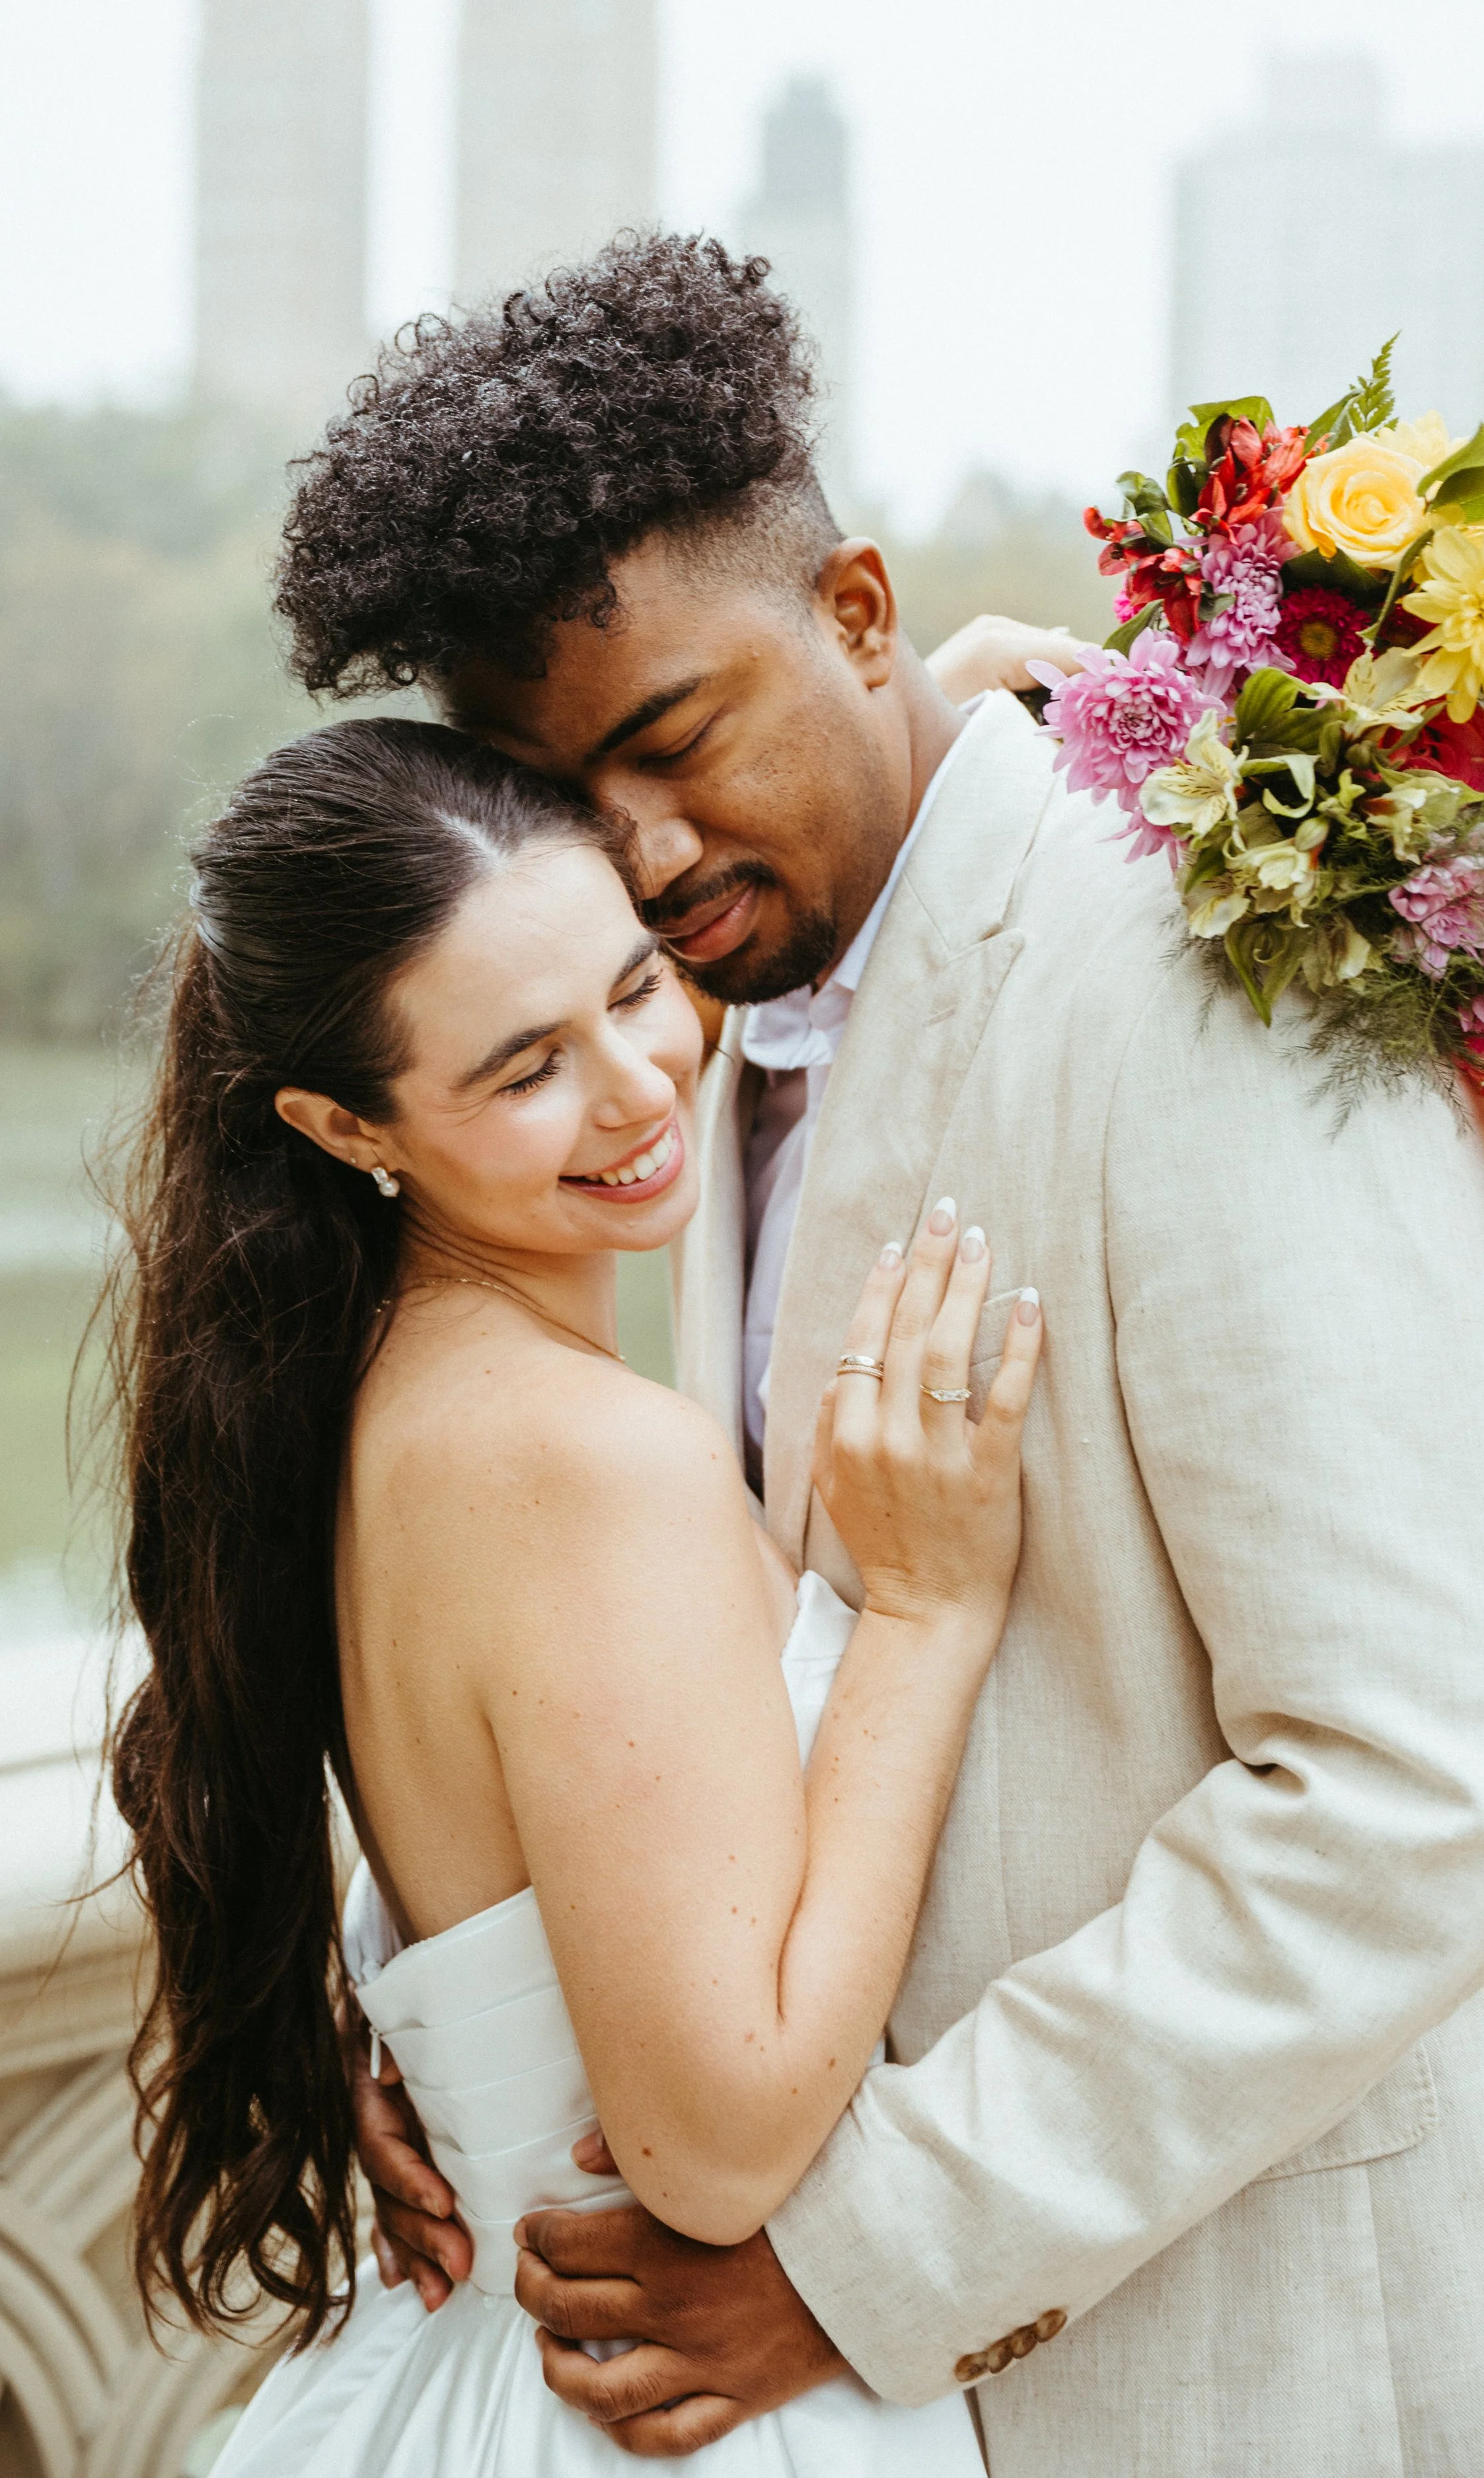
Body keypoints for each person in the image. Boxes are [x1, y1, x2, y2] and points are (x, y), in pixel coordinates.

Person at [293, 235, 1484, 2476]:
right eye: (561, 797)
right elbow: (667, 1639)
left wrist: (869, 2249)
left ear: (855, 612)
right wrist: (497, 1996)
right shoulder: (677, 1051)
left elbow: (1436, 1758)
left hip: (1300, 2356)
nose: (630, 859)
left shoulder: (1215, 976)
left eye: (669, 740)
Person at [109, 715, 1045, 2477]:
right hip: (668, 2400)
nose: (636, 1083)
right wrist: (922, 1619)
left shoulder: (362, 1394)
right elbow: (714, 2143)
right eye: (525, 1065)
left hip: (476, 2354)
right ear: (342, 1122)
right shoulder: (587, 1461)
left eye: (636, 985)